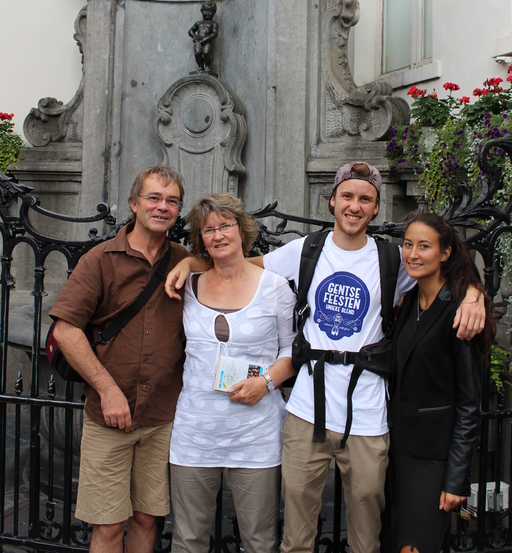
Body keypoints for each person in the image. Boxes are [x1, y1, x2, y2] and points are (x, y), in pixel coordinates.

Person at [166, 161, 487, 553]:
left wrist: (474, 292)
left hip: (368, 412)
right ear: (332, 200)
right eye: (347, 196)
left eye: (365, 199)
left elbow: (445, 266)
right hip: (306, 410)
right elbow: (238, 264)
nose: (355, 205)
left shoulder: (393, 260)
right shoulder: (307, 250)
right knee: (296, 535)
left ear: (375, 208)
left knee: (366, 534)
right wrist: (189, 261)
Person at [50, 165, 189, 553]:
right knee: (109, 526)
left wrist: (194, 263)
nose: (162, 207)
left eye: (171, 201)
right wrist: (108, 391)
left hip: (163, 415)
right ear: (134, 203)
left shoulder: (184, 261)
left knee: (147, 518)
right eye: (154, 198)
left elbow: (234, 270)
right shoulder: (101, 259)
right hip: (109, 415)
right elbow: (66, 329)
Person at [168, 193, 296, 553]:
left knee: (259, 540)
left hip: (256, 435)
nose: (218, 235)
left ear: (242, 230)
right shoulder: (188, 287)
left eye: (225, 225)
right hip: (196, 433)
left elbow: (291, 350)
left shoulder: (274, 288)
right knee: (188, 539)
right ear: (200, 240)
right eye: (208, 230)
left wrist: (267, 381)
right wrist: (188, 264)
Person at [384, 213, 493, 553]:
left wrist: (457, 478)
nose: (413, 254)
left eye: (424, 246)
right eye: (407, 245)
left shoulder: (462, 311)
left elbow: (468, 403)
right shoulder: (406, 302)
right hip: (393, 452)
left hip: (432, 460)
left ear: (446, 253)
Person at [188, 1, 218, 72]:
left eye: (210, 11)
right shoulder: (198, 23)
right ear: (202, 11)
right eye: (206, 10)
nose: (207, 13)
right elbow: (190, 31)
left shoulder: (213, 24)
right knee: (197, 53)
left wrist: (205, 39)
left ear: (214, 13)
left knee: (206, 52)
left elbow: (215, 33)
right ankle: (200, 66)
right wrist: (194, 36)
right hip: (198, 41)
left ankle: (207, 67)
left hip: (207, 41)